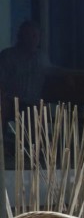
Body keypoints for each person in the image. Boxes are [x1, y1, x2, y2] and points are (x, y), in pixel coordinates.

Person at [0, 21, 47, 151]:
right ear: (20, 36)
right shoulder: (7, 55)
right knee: (2, 106)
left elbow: (53, 71)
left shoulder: (41, 57)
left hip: (32, 102)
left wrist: (68, 75)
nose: (32, 39)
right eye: (28, 35)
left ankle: (34, 152)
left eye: (35, 36)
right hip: (10, 100)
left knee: (39, 110)